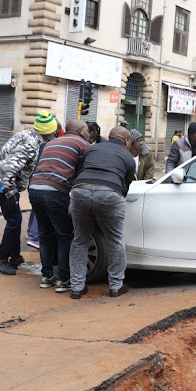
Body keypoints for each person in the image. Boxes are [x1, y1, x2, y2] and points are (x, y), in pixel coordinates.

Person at [0, 110, 58, 276]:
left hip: (5, 183)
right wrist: (10, 193)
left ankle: (15, 257)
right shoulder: (31, 144)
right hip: (3, 184)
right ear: (47, 132)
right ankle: (2, 260)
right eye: (53, 131)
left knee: (16, 221)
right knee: (13, 221)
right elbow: (7, 168)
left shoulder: (28, 134)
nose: (54, 134)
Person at [69, 126, 136, 300]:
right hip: (110, 193)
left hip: (80, 190)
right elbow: (124, 189)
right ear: (126, 142)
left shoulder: (93, 148)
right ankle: (116, 286)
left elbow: (83, 169)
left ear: (110, 136)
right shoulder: (129, 158)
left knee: (80, 240)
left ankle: (76, 287)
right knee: (115, 240)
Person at [28, 120, 91, 293]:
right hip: (55, 191)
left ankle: (47, 276)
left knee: (45, 235)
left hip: (34, 189)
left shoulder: (52, 142)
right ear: (79, 130)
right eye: (87, 130)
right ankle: (64, 280)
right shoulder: (82, 144)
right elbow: (82, 171)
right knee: (65, 236)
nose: (89, 134)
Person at [26, 119, 64, 250]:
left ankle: (31, 233)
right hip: (41, 179)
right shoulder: (51, 143)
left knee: (35, 208)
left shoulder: (43, 142)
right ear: (57, 131)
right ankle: (34, 237)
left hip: (33, 179)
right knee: (41, 209)